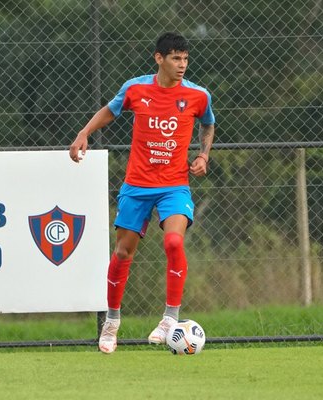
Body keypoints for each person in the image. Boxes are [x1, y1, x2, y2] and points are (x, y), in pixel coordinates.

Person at [69, 32, 215, 353]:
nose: (182, 65)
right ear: (159, 59)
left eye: (186, 59)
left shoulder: (198, 95)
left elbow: (207, 123)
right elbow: (110, 110)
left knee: (174, 241)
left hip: (174, 185)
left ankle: (169, 319)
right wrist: (84, 132)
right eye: (176, 58)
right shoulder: (135, 88)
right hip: (137, 185)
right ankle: (111, 321)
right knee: (123, 253)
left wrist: (204, 154)